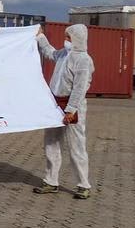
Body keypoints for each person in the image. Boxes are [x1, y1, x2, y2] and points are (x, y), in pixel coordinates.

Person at [35, 23, 95, 199]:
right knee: (51, 143)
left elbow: (80, 87)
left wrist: (71, 110)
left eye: (68, 37)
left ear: (77, 39)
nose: (65, 40)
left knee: (76, 145)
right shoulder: (63, 54)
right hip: (55, 105)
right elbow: (49, 52)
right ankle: (51, 181)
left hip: (72, 106)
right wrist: (40, 37)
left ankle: (83, 185)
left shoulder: (83, 60)